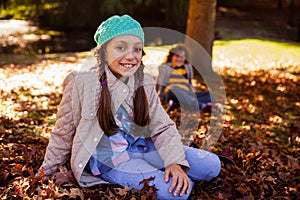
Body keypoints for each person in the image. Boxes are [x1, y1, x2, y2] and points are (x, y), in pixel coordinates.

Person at [39, 14, 221, 199]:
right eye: (120, 47)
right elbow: (63, 133)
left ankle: (164, 169)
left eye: (137, 49)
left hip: (144, 147)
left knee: (212, 165)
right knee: (177, 193)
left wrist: (174, 162)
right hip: (112, 160)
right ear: (103, 51)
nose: (130, 56)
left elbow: (162, 127)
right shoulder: (81, 83)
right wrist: (47, 171)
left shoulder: (145, 83)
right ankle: (164, 175)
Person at [156, 44, 215, 113]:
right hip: (171, 91)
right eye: (177, 56)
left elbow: (189, 82)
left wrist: (191, 93)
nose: (179, 59)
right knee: (175, 89)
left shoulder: (188, 67)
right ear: (171, 57)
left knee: (211, 95)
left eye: (182, 57)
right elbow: (160, 82)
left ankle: (177, 104)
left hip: (187, 93)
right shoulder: (165, 67)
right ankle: (202, 106)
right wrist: (158, 96)